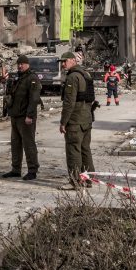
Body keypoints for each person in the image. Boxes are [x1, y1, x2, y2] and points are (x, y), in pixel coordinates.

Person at [2, 55, 42, 181]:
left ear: (28, 64)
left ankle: (32, 170)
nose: (20, 66)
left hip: (26, 117)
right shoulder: (18, 78)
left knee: (28, 144)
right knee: (15, 144)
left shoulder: (32, 78)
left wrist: (29, 115)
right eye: (19, 64)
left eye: (22, 64)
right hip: (15, 116)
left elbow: (34, 99)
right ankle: (16, 169)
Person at [58, 51, 95, 188]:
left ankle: (75, 181)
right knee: (85, 149)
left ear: (73, 60)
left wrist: (63, 122)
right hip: (87, 118)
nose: (63, 64)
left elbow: (69, 103)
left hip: (75, 120)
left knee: (73, 150)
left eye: (65, 61)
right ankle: (88, 179)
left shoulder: (72, 77)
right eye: (62, 62)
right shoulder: (86, 74)